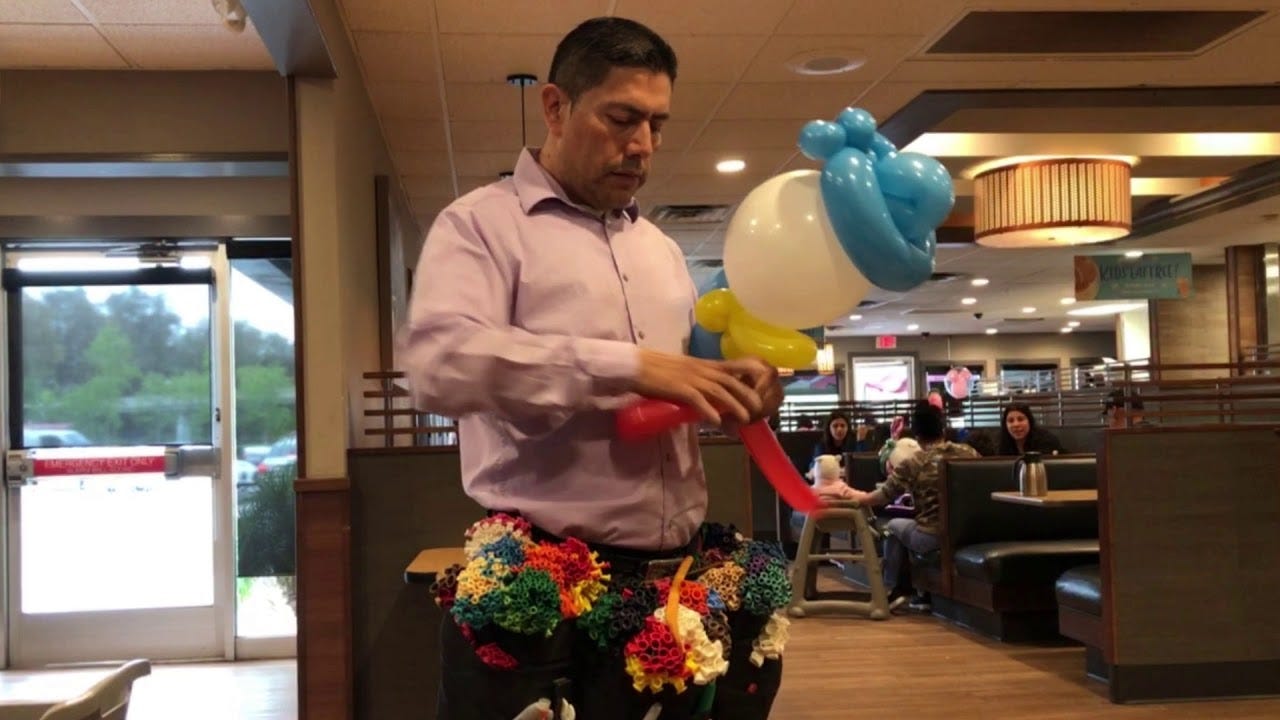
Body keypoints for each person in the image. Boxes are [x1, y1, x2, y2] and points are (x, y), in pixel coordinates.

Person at [398, 17, 786, 720]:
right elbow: (439, 364)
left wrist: (739, 386)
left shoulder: (661, 250)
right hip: (543, 600)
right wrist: (626, 366)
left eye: (657, 124)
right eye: (622, 118)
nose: (643, 145)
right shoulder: (480, 225)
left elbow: (682, 385)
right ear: (555, 106)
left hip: (676, 588)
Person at [847, 402, 979, 612]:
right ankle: (922, 594)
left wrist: (857, 499)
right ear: (943, 429)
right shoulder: (969, 452)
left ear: (916, 435)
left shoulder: (915, 461)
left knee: (893, 527)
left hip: (933, 536)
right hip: (970, 533)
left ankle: (895, 590)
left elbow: (883, 496)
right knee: (906, 528)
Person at [997, 403, 1066, 455]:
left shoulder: (1046, 440)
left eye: (1020, 419)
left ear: (1029, 421)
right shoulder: (999, 443)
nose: (1016, 424)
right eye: (1011, 421)